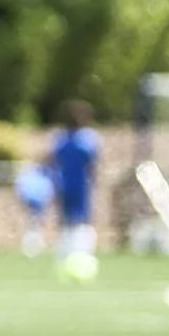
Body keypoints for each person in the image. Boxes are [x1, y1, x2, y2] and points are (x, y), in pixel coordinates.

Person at [49, 100, 103, 264]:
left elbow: (93, 164)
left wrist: (94, 183)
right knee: (65, 219)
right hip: (64, 184)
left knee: (82, 219)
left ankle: (82, 252)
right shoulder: (61, 138)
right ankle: (65, 253)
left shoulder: (88, 138)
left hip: (81, 186)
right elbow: (53, 160)